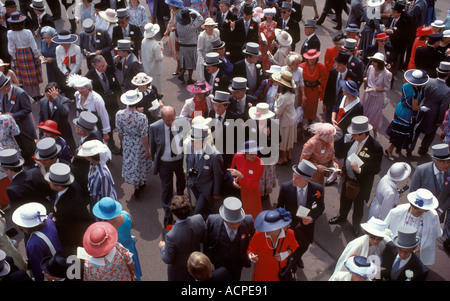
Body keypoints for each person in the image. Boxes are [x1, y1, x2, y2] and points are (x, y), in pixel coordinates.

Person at [329, 116, 383, 236]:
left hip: (361, 184)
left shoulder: (375, 148)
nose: (352, 136)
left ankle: (355, 225)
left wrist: (359, 169)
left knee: (358, 206)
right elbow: (347, 155)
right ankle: (342, 217)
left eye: (354, 134)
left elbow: (376, 169)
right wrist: (344, 169)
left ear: (363, 134)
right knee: (344, 200)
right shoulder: (354, 141)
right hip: (348, 178)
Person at [277, 160, 324, 268]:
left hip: (307, 226)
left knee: (303, 246)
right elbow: (279, 206)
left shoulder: (317, 189)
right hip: (290, 224)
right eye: (293, 175)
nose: (293, 179)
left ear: (307, 180)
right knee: (287, 245)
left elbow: (321, 207)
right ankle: (288, 260)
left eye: (297, 178)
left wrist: (311, 218)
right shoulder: (285, 187)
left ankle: (297, 258)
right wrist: (284, 221)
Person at [44, 162, 93, 254]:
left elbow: (64, 224)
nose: (48, 182)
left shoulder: (69, 205)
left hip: (73, 234)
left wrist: (55, 220)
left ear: (59, 186)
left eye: (50, 182)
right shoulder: (73, 184)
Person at [384, 188, 442, 266]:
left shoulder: (432, 215)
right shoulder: (397, 211)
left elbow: (435, 234)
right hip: (397, 249)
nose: (430, 209)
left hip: (417, 252)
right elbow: (384, 229)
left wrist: (414, 251)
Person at [149, 106, 186, 227]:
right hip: (164, 163)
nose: (170, 123)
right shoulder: (154, 127)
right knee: (166, 189)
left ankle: (181, 210)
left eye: (172, 119)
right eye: (167, 120)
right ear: (161, 118)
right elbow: (152, 146)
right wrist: (156, 162)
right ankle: (168, 214)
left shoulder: (184, 123)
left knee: (181, 186)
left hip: (180, 161)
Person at [203, 197, 255, 281]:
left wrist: (251, 252)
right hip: (219, 262)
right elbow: (206, 241)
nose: (236, 226)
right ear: (224, 219)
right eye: (232, 224)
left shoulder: (249, 221)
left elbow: (254, 238)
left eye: (239, 222)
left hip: (238, 263)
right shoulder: (212, 221)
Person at [93, 197, 142, 281]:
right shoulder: (126, 214)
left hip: (119, 254)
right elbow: (132, 225)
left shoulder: (106, 229)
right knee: (134, 269)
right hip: (131, 247)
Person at [159, 195, 206, 281]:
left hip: (179, 271)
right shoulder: (199, 219)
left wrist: (162, 247)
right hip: (196, 262)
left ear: (174, 214)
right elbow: (204, 239)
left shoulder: (171, 235)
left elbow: (168, 259)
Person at [12, 202, 63, 281]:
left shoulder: (34, 243)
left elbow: (39, 269)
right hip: (60, 258)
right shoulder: (48, 220)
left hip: (52, 271)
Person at [385, 69, 428, 160]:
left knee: (396, 130)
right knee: (400, 134)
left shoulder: (405, 85)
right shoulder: (415, 93)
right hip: (406, 114)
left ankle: (397, 148)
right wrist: (422, 108)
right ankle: (389, 150)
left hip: (400, 108)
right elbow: (414, 107)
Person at [115, 90, 152, 197]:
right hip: (139, 142)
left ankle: (135, 184)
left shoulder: (119, 114)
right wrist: (147, 149)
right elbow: (144, 135)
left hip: (127, 141)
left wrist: (122, 142)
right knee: (139, 161)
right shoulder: (142, 117)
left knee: (130, 162)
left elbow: (120, 132)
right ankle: (140, 182)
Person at [247, 208, 299, 281]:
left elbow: (294, 246)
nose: (266, 230)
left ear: (278, 228)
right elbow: (251, 250)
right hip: (261, 272)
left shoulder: (289, 234)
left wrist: (285, 254)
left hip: (279, 272)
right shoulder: (258, 234)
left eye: (269, 228)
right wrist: (251, 256)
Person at [410, 62, 450, 156]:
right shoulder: (447, 90)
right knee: (430, 134)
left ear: (437, 73)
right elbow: (443, 107)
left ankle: (410, 148)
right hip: (434, 114)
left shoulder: (428, 81)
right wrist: (439, 120)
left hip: (422, 108)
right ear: (448, 75)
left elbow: (420, 95)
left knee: (416, 129)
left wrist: (418, 108)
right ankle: (423, 150)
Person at [85, 55, 121, 154]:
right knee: (104, 123)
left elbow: (116, 83)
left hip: (112, 102)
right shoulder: (89, 77)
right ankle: (110, 145)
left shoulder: (108, 69)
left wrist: (120, 95)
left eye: (104, 64)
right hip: (101, 104)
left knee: (114, 121)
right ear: (95, 66)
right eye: (101, 66)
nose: (104, 67)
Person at [185, 124, 223, 218]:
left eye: (196, 142)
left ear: (205, 141)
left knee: (197, 211)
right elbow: (188, 161)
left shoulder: (215, 155)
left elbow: (218, 176)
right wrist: (189, 178)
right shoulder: (190, 146)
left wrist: (216, 192)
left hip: (206, 189)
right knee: (204, 207)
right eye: (192, 141)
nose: (193, 144)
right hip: (193, 185)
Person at [0, 72, 37, 167]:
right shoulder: (4, 95)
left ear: (6, 86)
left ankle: (35, 167)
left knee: (30, 149)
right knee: (22, 148)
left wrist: (13, 115)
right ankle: (27, 165)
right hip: (14, 128)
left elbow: (28, 109)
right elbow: (3, 106)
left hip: (24, 127)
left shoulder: (20, 93)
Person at [6, 12, 42, 101]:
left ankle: (32, 94)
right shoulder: (27, 32)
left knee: (25, 75)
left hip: (19, 55)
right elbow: (33, 45)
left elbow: (10, 48)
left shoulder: (10, 33)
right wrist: (37, 56)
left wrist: (14, 58)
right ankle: (38, 93)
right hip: (29, 53)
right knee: (33, 74)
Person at [77, 139, 118, 211]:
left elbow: (106, 197)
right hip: (95, 200)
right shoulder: (92, 164)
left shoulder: (103, 175)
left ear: (88, 157)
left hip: (103, 205)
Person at [228, 140, 264, 220]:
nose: (254, 155)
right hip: (238, 191)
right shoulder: (237, 156)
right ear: (244, 153)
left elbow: (252, 186)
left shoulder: (260, 164)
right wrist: (234, 180)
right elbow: (231, 170)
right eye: (251, 154)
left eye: (255, 152)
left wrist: (240, 176)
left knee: (252, 217)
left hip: (252, 194)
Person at [361, 52, 392, 138]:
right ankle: (364, 135)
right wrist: (365, 82)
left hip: (377, 98)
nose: (372, 63)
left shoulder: (387, 74)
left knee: (374, 117)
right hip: (367, 96)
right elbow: (368, 79)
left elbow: (387, 88)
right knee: (365, 114)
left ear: (379, 63)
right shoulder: (370, 68)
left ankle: (374, 132)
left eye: (374, 61)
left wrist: (375, 89)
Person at [38, 82, 76, 152]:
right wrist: (41, 135)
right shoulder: (43, 102)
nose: (49, 98)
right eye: (47, 96)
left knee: (67, 152)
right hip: (49, 135)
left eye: (51, 97)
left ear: (57, 93)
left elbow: (64, 113)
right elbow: (41, 119)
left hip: (62, 133)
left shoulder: (65, 101)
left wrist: (56, 99)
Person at [322, 51, 358, 124]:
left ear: (345, 65)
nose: (336, 67)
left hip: (342, 106)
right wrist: (325, 103)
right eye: (336, 64)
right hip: (331, 103)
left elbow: (354, 94)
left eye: (339, 65)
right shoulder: (333, 72)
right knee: (328, 123)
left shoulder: (352, 76)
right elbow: (328, 87)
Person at [299, 123, 339, 187]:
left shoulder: (330, 138)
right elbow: (302, 161)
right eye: (328, 136)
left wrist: (333, 162)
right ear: (322, 135)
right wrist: (317, 166)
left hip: (321, 173)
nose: (331, 138)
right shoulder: (312, 143)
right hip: (310, 174)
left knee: (319, 191)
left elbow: (332, 152)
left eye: (332, 136)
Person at [272, 70, 296, 165]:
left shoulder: (283, 97)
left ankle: (283, 158)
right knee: (289, 139)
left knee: (282, 140)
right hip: (292, 118)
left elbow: (278, 112)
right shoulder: (292, 93)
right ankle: (289, 155)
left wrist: (275, 101)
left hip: (285, 121)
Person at [299, 49, 327, 127]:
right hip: (303, 90)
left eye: (314, 58)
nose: (312, 60)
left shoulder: (321, 66)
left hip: (314, 90)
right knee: (302, 107)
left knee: (312, 108)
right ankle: (299, 122)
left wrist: (319, 83)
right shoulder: (302, 66)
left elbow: (324, 78)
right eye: (310, 58)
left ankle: (310, 124)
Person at [176, 8, 204, 84]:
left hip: (182, 45)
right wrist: (195, 11)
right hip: (190, 46)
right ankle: (189, 78)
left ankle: (182, 73)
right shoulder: (191, 26)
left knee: (184, 61)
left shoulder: (178, 24)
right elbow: (201, 19)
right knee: (190, 63)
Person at [52, 30, 82, 99]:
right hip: (64, 70)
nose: (62, 44)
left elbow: (78, 64)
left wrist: (71, 74)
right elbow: (59, 62)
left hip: (74, 70)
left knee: (75, 87)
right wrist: (65, 72)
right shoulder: (58, 49)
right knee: (65, 86)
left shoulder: (76, 48)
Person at [141, 23, 163, 92]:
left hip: (146, 66)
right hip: (155, 69)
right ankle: (157, 95)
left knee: (148, 83)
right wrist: (162, 51)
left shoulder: (143, 41)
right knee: (156, 84)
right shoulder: (156, 45)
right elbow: (159, 58)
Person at [163, 0, 183, 76]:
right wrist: (167, 31)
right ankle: (179, 66)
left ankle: (181, 67)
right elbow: (170, 22)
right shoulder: (172, 11)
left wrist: (175, 28)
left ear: (175, 6)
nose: (168, 6)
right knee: (176, 51)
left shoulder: (180, 12)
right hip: (174, 33)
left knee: (180, 50)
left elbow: (181, 24)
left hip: (180, 34)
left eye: (170, 4)